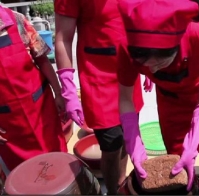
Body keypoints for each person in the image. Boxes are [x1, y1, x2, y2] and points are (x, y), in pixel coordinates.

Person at [116, 0, 199, 191]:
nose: (152, 70)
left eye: (160, 63)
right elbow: (125, 98)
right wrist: (133, 143)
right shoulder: (125, 47)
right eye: (145, 65)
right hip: (171, 105)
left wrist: (195, 137)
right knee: (178, 169)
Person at [54, 0, 146, 194]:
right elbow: (63, 39)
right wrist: (68, 89)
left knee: (127, 137)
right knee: (111, 143)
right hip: (98, 77)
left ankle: (121, 183)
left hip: (129, 73)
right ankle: (112, 190)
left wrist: (148, 61)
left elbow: (139, 21)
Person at [0, 5, 67, 171]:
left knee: (57, 161)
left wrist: (59, 93)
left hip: (41, 108)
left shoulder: (17, 20)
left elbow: (42, 59)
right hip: (9, 124)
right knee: (27, 174)